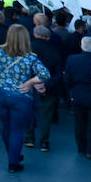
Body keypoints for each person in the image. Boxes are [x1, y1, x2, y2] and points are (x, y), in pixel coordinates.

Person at [0, 24, 50, 173]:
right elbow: (45, 74)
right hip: (20, 96)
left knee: (6, 127)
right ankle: (13, 162)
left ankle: (12, 155)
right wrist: (30, 82)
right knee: (18, 130)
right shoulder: (31, 58)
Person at [24, 24, 64, 152]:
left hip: (28, 86)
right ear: (47, 37)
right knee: (46, 116)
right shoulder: (54, 51)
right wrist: (46, 85)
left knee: (28, 112)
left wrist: (32, 83)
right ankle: (44, 142)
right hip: (49, 88)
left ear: (35, 34)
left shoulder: (27, 48)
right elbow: (59, 73)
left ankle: (29, 138)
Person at [65, 36, 91, 159]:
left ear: (82, 46)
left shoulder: (72, 59)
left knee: (79, 123)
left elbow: (67, 79)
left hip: (77, 95)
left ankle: (81, 147)